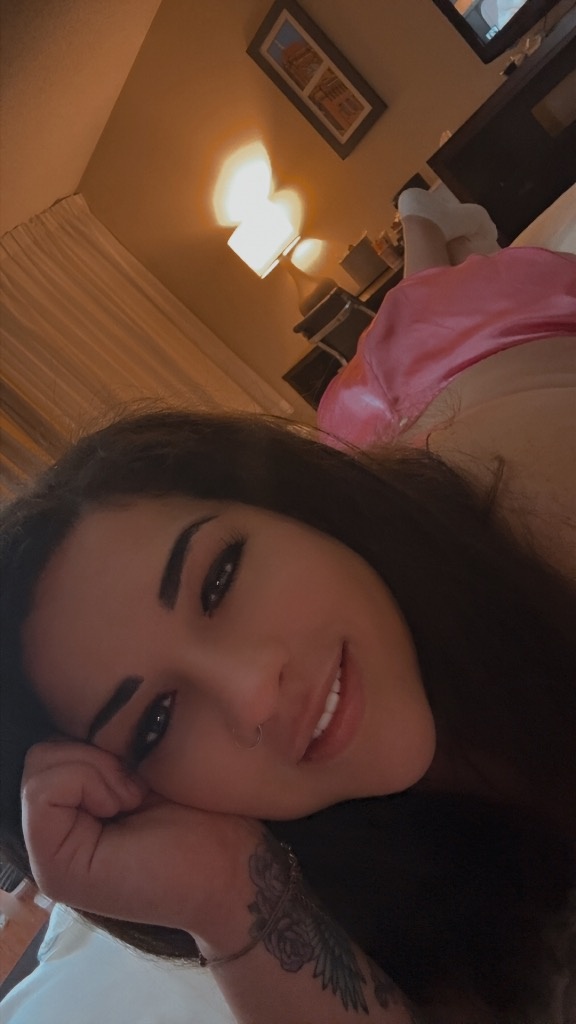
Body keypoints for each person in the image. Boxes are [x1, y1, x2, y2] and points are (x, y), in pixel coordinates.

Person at [1, 197, 575, 1023]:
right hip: (386, 443)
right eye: (155, 722)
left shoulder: (551, 506)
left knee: (422, 311)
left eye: (219, 580)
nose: (252, 693)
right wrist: (223, 897)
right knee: (372, 386)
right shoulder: (352, 879)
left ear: (292, 507)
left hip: (477, 356)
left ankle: (422, 216)